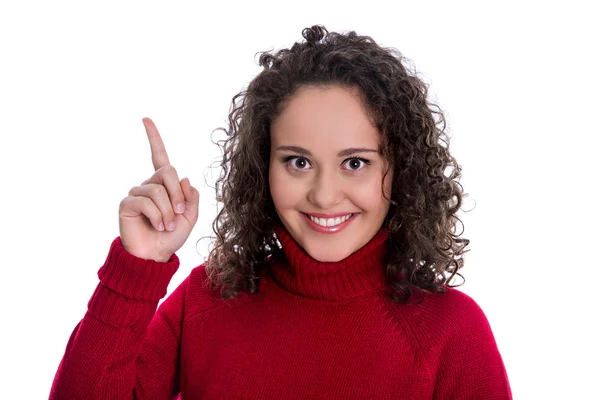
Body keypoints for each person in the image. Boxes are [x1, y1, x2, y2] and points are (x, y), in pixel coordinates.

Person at [50, 25, 512, 399]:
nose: (325, 195)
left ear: (400, 169)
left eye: (355, 163)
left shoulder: (450, 333)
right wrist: (137, 269)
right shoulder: (205, 304)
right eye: (298, 161)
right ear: (262, 168)